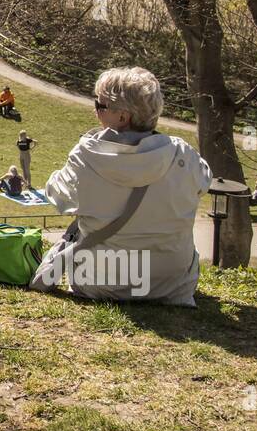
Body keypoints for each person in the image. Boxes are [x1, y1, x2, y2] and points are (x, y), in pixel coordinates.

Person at [32, 66, 211, 306]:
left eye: (100, 105)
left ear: (123, 117)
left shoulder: (86, 156)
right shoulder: (183, 155)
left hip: (100, 283)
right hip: (169, 283)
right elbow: (204, 183)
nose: (95, 111)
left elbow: (56, 195)